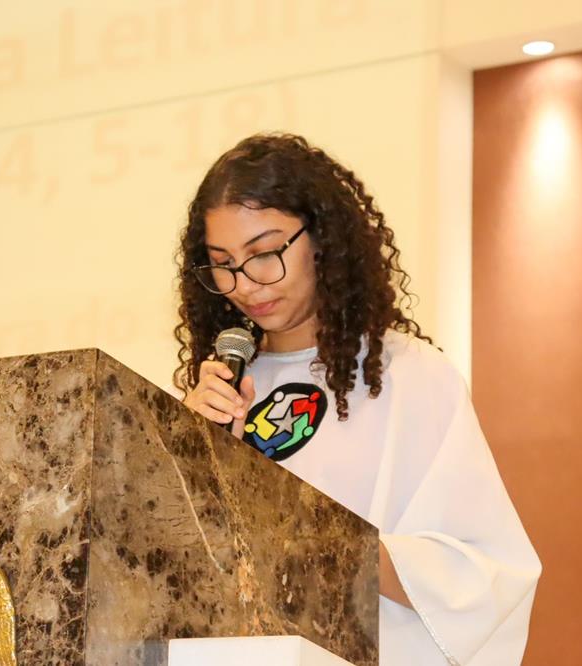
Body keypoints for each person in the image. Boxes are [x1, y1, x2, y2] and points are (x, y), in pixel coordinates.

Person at [174, 133, 541, 665]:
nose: (246, 284)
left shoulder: (410, 376)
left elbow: (486, 575)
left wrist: (325, 539)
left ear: (321, 237)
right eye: (223, 263)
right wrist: (187, 452)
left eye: (265, 253)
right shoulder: (220, 392)